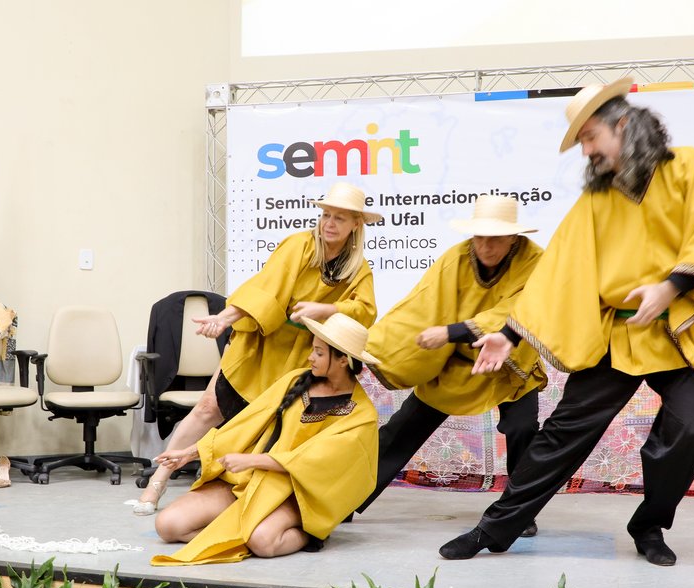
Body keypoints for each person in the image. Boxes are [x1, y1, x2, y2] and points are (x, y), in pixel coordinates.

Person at [438, 77, 694, 566]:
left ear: (623, 125)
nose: (586, 150)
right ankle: (495, 528)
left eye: (590, 137)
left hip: (681, 329)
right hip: (619, 335)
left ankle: (649, 524)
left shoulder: (690, 166)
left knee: (690, 431)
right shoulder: (596, 200)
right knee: (565, 433)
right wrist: (506, 333)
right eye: (582, 142)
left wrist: (669, 287)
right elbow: (557, 273)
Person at [134, 182, 379, 515]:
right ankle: (157, 482)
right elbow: (265, 290)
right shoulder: (299, 246)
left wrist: (327, 310)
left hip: (297, 356)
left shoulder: (357, 267)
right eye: (326, 215)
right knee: (208, 408)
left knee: (274, 427)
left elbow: (365, 309)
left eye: (339, 218)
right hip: (259, 345)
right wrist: (224, 318)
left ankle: (264, 501)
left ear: (355, 225)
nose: (329, 223)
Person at [356, 195, 546, 537]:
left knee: (523, 430)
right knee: (402, 429)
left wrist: (452, 331)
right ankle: (345, 498)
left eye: (495, 238)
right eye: (480, 237)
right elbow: (420, 306)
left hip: (509, 361)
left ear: (513, 238)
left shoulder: (537, 262)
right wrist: (368, 347)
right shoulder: (456, 259)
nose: (485, 246)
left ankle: (519, 513)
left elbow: (528, 307)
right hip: (459, 361)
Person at [150, 313, 379, 565]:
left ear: (343, 360)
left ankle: (310, 532)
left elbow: (315, 463)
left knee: (263, 542)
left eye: (319, 353)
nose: (310, 357)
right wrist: (191, 452)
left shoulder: (361, 416)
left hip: (297, 493)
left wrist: (252, 461)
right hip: (250, 479)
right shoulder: (295, 381)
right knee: (168, 525)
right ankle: (240, 526)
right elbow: (244, 424)